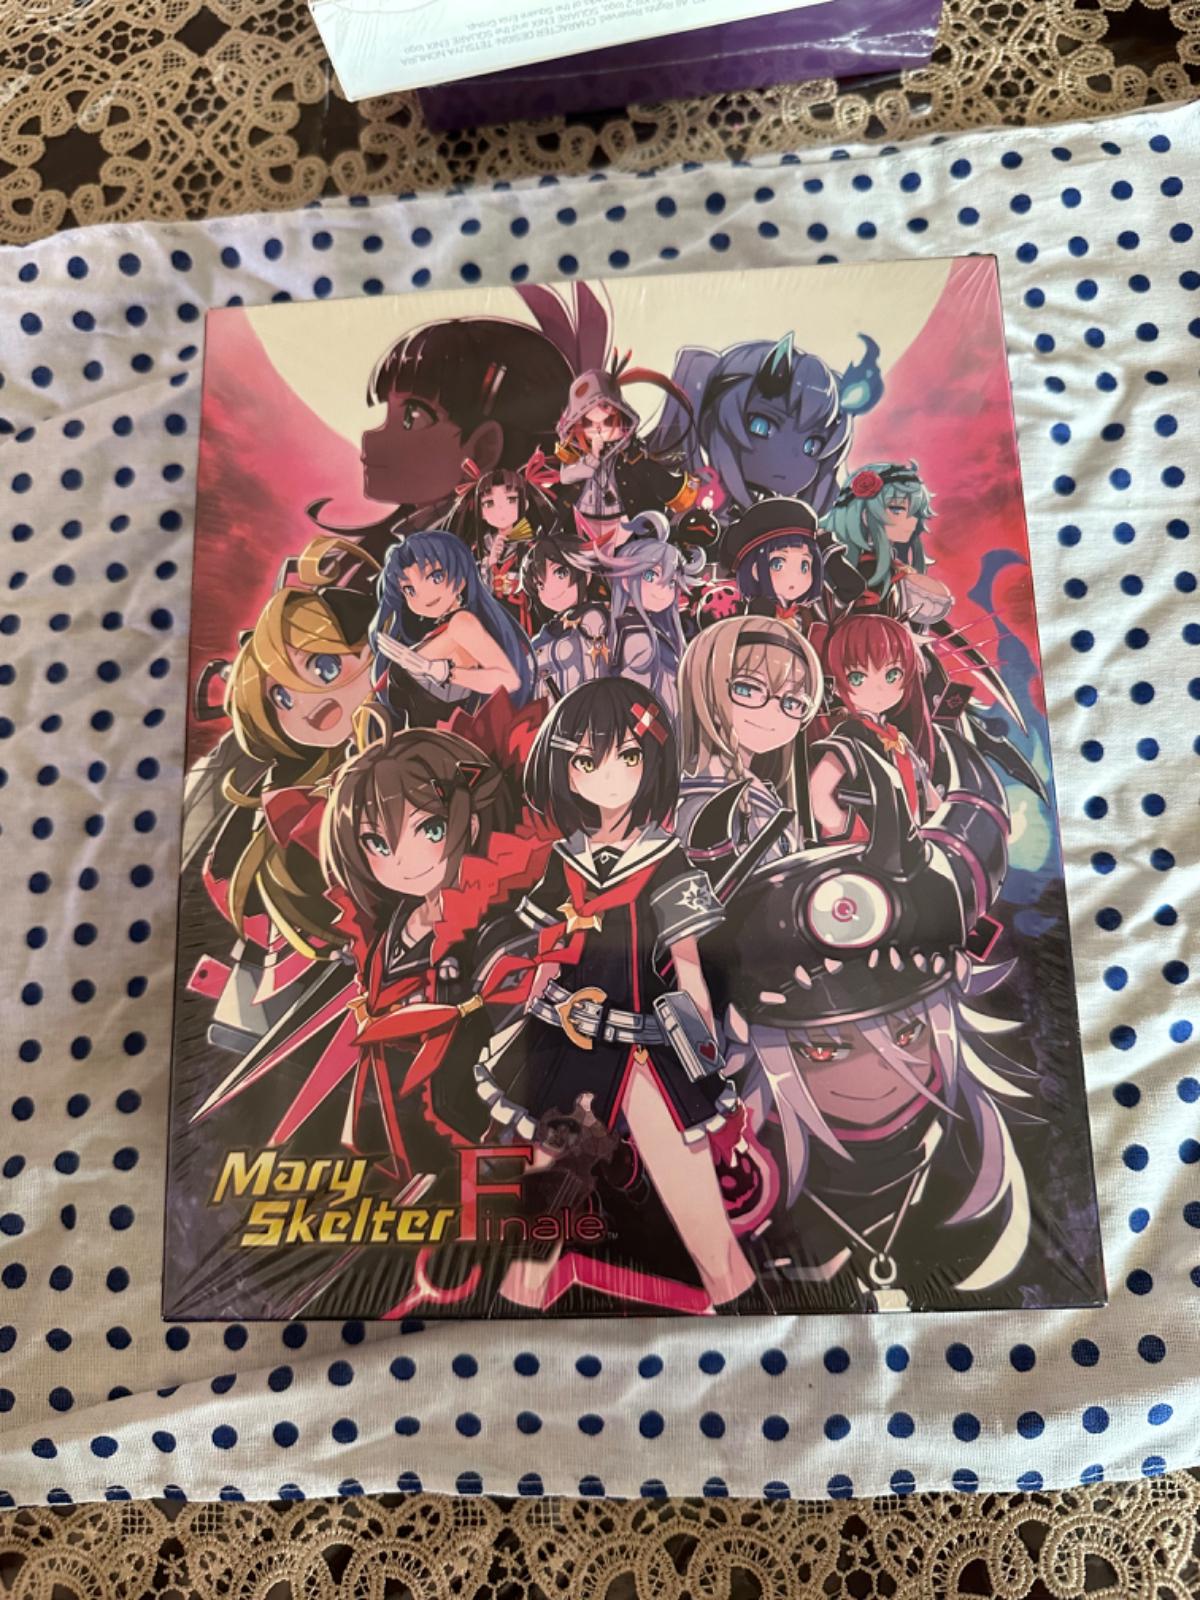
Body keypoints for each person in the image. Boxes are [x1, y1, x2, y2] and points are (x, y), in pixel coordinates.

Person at [474, 678, 761, 1312]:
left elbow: (688, 965)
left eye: (627, 756)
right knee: (543, 1220)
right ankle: (504, 1327)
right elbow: (547, 955)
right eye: (588, 760)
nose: (609, 776)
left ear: (649, 763)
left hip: (646, 1050)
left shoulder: (666, 859)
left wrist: (705, 1052)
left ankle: (749, 1321)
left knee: (702, 1218)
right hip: (571, 1050)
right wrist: (530, 1023)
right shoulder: (565, 861)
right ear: (566, 770)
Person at [647, 332, 883, 523]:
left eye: (812, 446)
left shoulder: (790, 527)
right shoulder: (679, 489)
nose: (788, 458)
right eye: (761, 426)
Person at [676, 615, 822, 864]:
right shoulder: (706, 799)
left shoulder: (757, 788)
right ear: (707, 689)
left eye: (793, 702)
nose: (774, 712)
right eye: (747, 689)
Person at [371, 529, 537, 727]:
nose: (424, 595)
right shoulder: (442, 629)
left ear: (462, 576)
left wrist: (440, 672)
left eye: (436, 577)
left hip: (442, 740)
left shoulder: (462, 623)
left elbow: (509, 680)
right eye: (409, 590)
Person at [809, 613, 940, 843]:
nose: (879, 689)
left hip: (909, 847)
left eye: (892, 675)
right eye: (857, 678)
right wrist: (855, 834)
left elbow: (929, 797)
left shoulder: (899, 740)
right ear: (836, 686)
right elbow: (818, 795)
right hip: (868, 852)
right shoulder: (849, 740)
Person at [821, 462, 951, 625]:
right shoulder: (860, 565)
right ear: (864, 513)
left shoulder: (886, 562)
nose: (912, 522)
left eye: (915, 512)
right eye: (897, 509)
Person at [603, 525, 704, 727]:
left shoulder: (633, 629)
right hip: (652, 731)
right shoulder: (637, 635)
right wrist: (656, 734)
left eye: (671, 582)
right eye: (651, 576)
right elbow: (634, 702)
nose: (662, 589)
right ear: (626, 579)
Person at [520, 537, 610, 699]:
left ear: (586, 573)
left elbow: (596, 678)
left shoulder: (592, 618)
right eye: (540, 584)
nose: (551, 589)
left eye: (560, 573)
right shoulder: (553, 628)